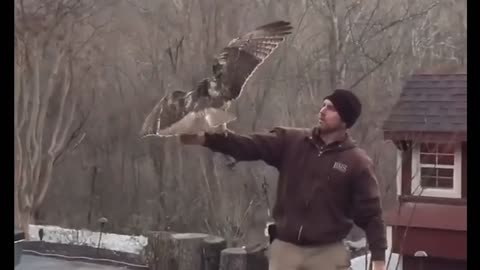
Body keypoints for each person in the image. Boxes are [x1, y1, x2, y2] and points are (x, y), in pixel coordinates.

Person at [180, 89, 387, 270]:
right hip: (285, 250)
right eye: (323, 105)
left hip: (328, 252)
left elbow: (371, 215)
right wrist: (206, 139)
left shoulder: (356, 161)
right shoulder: (293, 141)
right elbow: (250, 145)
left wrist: (378, 261)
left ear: (345, 120)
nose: (322, 111)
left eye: (331, 108)